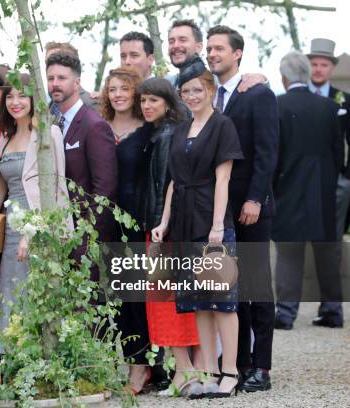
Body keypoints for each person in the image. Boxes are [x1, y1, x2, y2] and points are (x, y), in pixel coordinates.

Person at [152, 67, 244, 398]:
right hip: (183, 223)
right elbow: (174, 182)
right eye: (185, 92)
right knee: (199, 304)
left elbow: (223, 179)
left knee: (223, 302)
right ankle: (207, 372)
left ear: (209, 89)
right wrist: (164, 222)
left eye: (196, 90)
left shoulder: (222, 126)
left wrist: (218, 225)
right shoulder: (180, 129)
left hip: (211, 221)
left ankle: (230, 373)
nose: (191, 96)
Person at [206, 25, 279, 393]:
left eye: (219, 48)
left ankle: (262, 367)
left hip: (251, 205)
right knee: (231, 287)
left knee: (256, 284)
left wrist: (255, 198)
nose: (212, 53)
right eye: (209, 49)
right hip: (218, 208)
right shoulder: (207, 96)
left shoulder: (258, 94)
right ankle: (241, 362)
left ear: (237, 53)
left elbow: (267, 152)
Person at [0, 74, 71, 348]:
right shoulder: (6, 137)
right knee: (12, 294)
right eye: (10, 96)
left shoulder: (48, 133)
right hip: (11, 230)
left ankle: (41, 364)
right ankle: (14, 363)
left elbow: (56, 187)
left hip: (40, 228)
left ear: (34, 99)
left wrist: (34, 232)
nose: (15, 102)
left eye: (22, 96)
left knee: (38, 294)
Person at [137, 78, 202, 397]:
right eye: (143, 101)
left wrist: (159, 232)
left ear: (167, 102)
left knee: (165, 302)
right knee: (167, 301)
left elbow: (168, 186)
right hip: (167, 229)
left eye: (153, 100)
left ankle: (186, 371)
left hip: (164, 231)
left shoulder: (166, 135)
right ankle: (184, 371)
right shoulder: (167, 131)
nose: (146, 106)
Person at [274, 51, 344, 330]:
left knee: (289, 252)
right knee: (327, 252)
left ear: (285, 77)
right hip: (323, 189)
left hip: (287, 187)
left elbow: (274, 153)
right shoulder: (329, 107)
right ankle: (332, 310)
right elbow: (339, 152)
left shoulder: (277, 105)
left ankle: (286, 312)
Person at [100, 66, 151, 393]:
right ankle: (125, 359)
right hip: (107, 219)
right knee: (114, 296)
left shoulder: (148, 129)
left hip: (136, 219)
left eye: (124, 89)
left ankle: (142, 366)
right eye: (113, 89)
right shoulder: (100, 126)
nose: (118, 94)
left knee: (137, 296)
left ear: (136, 93)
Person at [46, 51, 118, 265]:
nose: (55, 84)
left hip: (85, 241)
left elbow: (105, 189)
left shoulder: (93, 125)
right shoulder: (53, 123)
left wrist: (84, 239)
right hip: (59, 236)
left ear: (76, 82)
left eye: (61, 78)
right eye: (50, 78)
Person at [306, 38, 349, 328]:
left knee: (329, 244)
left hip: (334, 182)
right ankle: (284, 312)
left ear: (331, 68)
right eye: (315, 64)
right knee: (291, 245)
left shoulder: (344, 100)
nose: (319, 69)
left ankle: (332, 309)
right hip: (298, 182)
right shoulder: (290, 96)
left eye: (324, 64)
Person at [167, 19, 266, 92]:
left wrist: (262, 80)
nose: (175, 45)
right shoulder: (167, 84)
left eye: (183, 40)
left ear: (198, 47)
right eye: (171, 41)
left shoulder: (215, 83)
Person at [45, 42, 99, 111]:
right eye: (47, 62)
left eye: (58, 59)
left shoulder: (89, 104)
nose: (51, 65)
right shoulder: (52, 105)